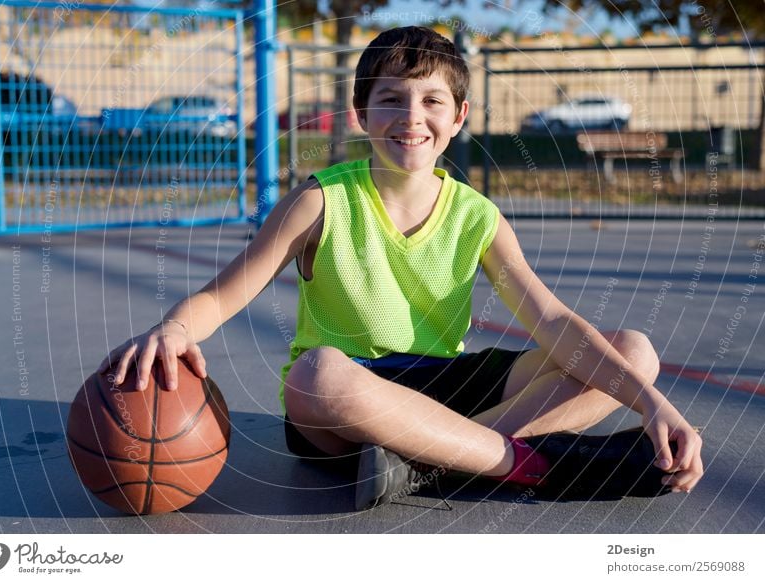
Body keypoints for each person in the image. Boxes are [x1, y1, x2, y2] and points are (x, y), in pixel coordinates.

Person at [100, 26, 703, 511]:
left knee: (634, 353)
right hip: (348, 403)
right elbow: (221, 296)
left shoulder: (477, 217)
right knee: (316, 375)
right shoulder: (321, 200)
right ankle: (534, 465)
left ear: (459, 117)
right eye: (391, 99)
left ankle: (424, 464)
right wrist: (176, 329)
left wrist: (651, 403)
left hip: (442, 388)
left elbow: (551, 321)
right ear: (362, 113)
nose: (411, 116)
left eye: (431, 100)